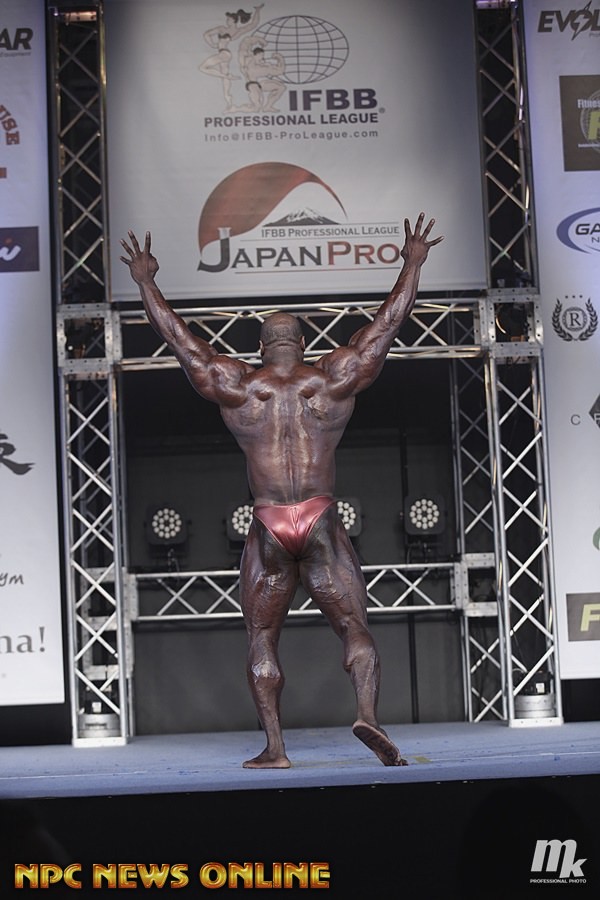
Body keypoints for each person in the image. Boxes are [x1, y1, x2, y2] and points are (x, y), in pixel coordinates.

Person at [120, 214, 443, 768]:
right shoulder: (334, 377)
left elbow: (181, 342)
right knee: (353, 626)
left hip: (270, 520)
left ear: (262, 345)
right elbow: (387, 325)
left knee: (262, 636)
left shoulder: (239, 385)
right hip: (318, 515)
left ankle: (275, 748)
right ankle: (368, 715)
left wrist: (146, 282)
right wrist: (412, 264)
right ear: (304, 342)